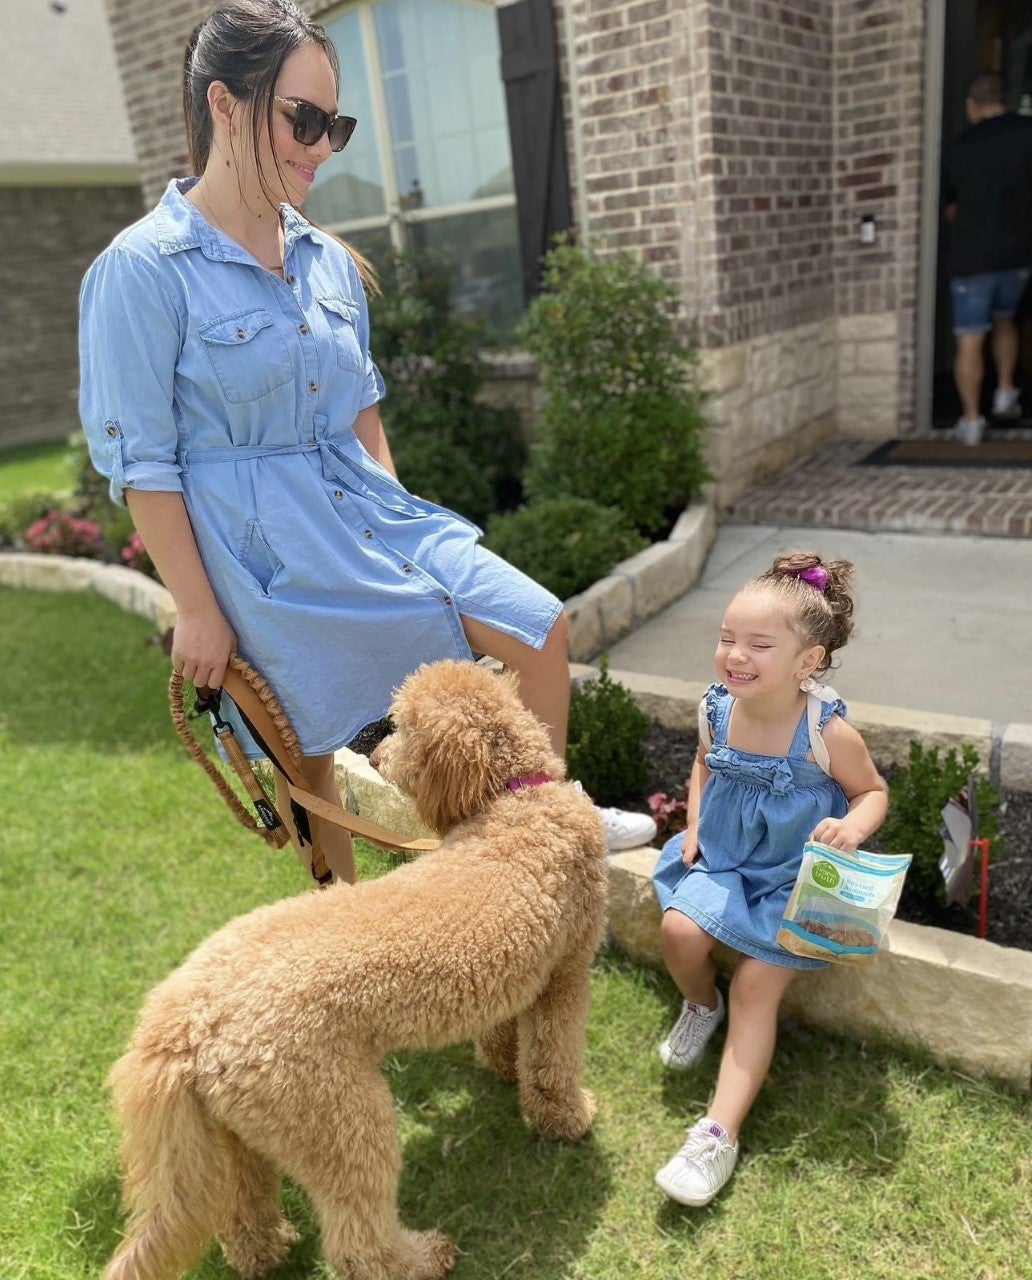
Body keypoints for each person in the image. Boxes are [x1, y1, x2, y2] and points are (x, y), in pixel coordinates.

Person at [78, 0, 655, 884]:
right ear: (225, 106)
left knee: (539, 626)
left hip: (370, 518)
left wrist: (397, 519)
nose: (321, 145)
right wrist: (195, 608)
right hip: (266, 553)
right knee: (309, 761)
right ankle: (345, 935)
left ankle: (542, 835)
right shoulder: (143, 269)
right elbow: (144, 464)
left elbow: (362, 412)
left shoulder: (325, 260)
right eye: (301, 119)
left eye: (334, 125)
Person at [650, 552, 888, 1207]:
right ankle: (701, 1004)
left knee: (757, 984)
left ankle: (716, 1135)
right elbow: (703, 764)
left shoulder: (826, 730)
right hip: (727, 858)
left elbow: (872, 793)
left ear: (808, 662)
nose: (735, 654)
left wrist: (854, 828)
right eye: (727, 638)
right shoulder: (717, 708)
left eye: (759, 643)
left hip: (795, 879)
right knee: (678, 932)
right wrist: (695, 821)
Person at [941, 71, 1032, 445]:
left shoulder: (960, 146)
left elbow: (950, 211)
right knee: (1007, 320)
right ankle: (1005, 391)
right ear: (1004, 101)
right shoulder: (1027, 133)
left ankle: (972, 421)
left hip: (971, 257)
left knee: (970, 339)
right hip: (1018, 253)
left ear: (972, 106)